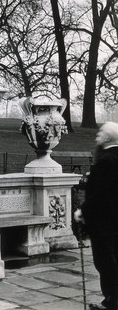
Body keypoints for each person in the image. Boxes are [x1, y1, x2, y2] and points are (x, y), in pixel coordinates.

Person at [75, 122, 118, 310]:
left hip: (104, 222)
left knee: (105, 262)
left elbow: (99, 194)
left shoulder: (106, 161)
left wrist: (82, 210)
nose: (97, 135)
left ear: (107, 138)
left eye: (101, 132)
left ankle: (112, 301)